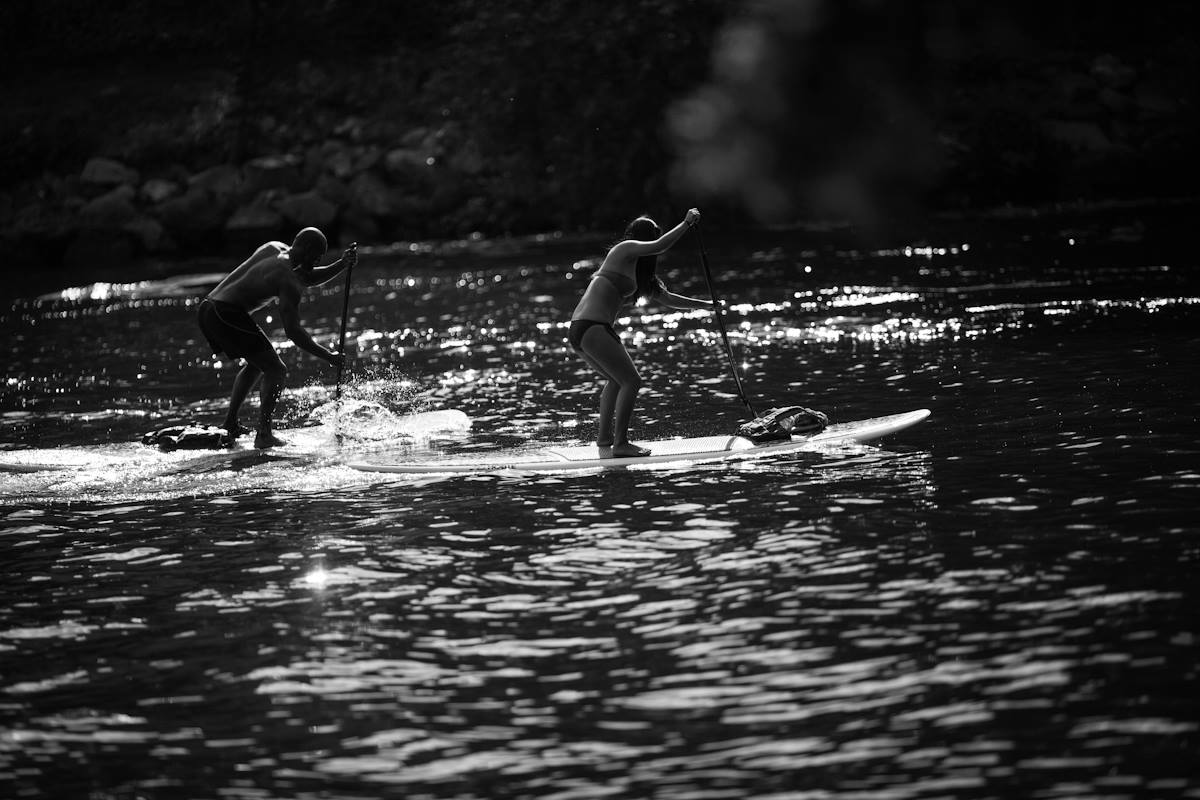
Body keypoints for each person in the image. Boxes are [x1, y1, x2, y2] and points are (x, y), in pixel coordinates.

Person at [568, 209, 712, 457]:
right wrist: (687, 223)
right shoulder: (623, 249)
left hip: (583, 329)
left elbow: (667, 299)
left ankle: (604, 440)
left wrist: (708, 306)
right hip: (592, 327)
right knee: (632, 381)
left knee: (616, 380)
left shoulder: (641, 274)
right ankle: (621, 444)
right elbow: (660, 245)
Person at [197, 227, 356, 448]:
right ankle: (264, 434)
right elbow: (293, 332)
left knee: (257, 363)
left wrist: (341, 264)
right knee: (276, 369)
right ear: (308, 249)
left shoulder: (273, 247)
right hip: (225, 314)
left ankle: (230, 423)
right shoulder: (287, 279)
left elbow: (306, 276)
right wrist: (328, 356)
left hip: (208, 308)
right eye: (318, 256)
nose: (318, 260)